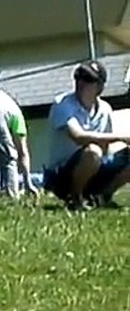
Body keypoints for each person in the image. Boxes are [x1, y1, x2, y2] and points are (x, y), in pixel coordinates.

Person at [42, 60, 130, 210]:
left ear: (100, 86)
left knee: (103, 153)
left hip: (94, 169)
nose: (81, 82)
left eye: (88, 79)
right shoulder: (62, 103)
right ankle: (75, 198)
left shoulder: (105, 109)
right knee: (92, 151)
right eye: (78, 76)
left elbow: (106, 149)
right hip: (62, 177)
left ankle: (102, 197)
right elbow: (78, 137)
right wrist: (121, 137)